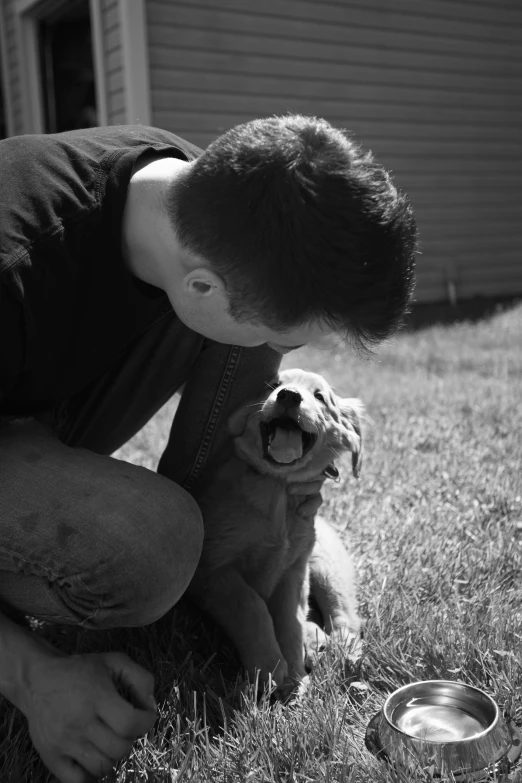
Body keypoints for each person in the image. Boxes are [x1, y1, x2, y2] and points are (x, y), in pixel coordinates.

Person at [0, 114, 417, 782]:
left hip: (31, 400)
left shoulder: (204, 198)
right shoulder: (15, 261)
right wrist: (30, 676)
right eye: (280, 338)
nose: (276, 365)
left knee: (238, 339)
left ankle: (233, 536)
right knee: (155, 545)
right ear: (200, 290)